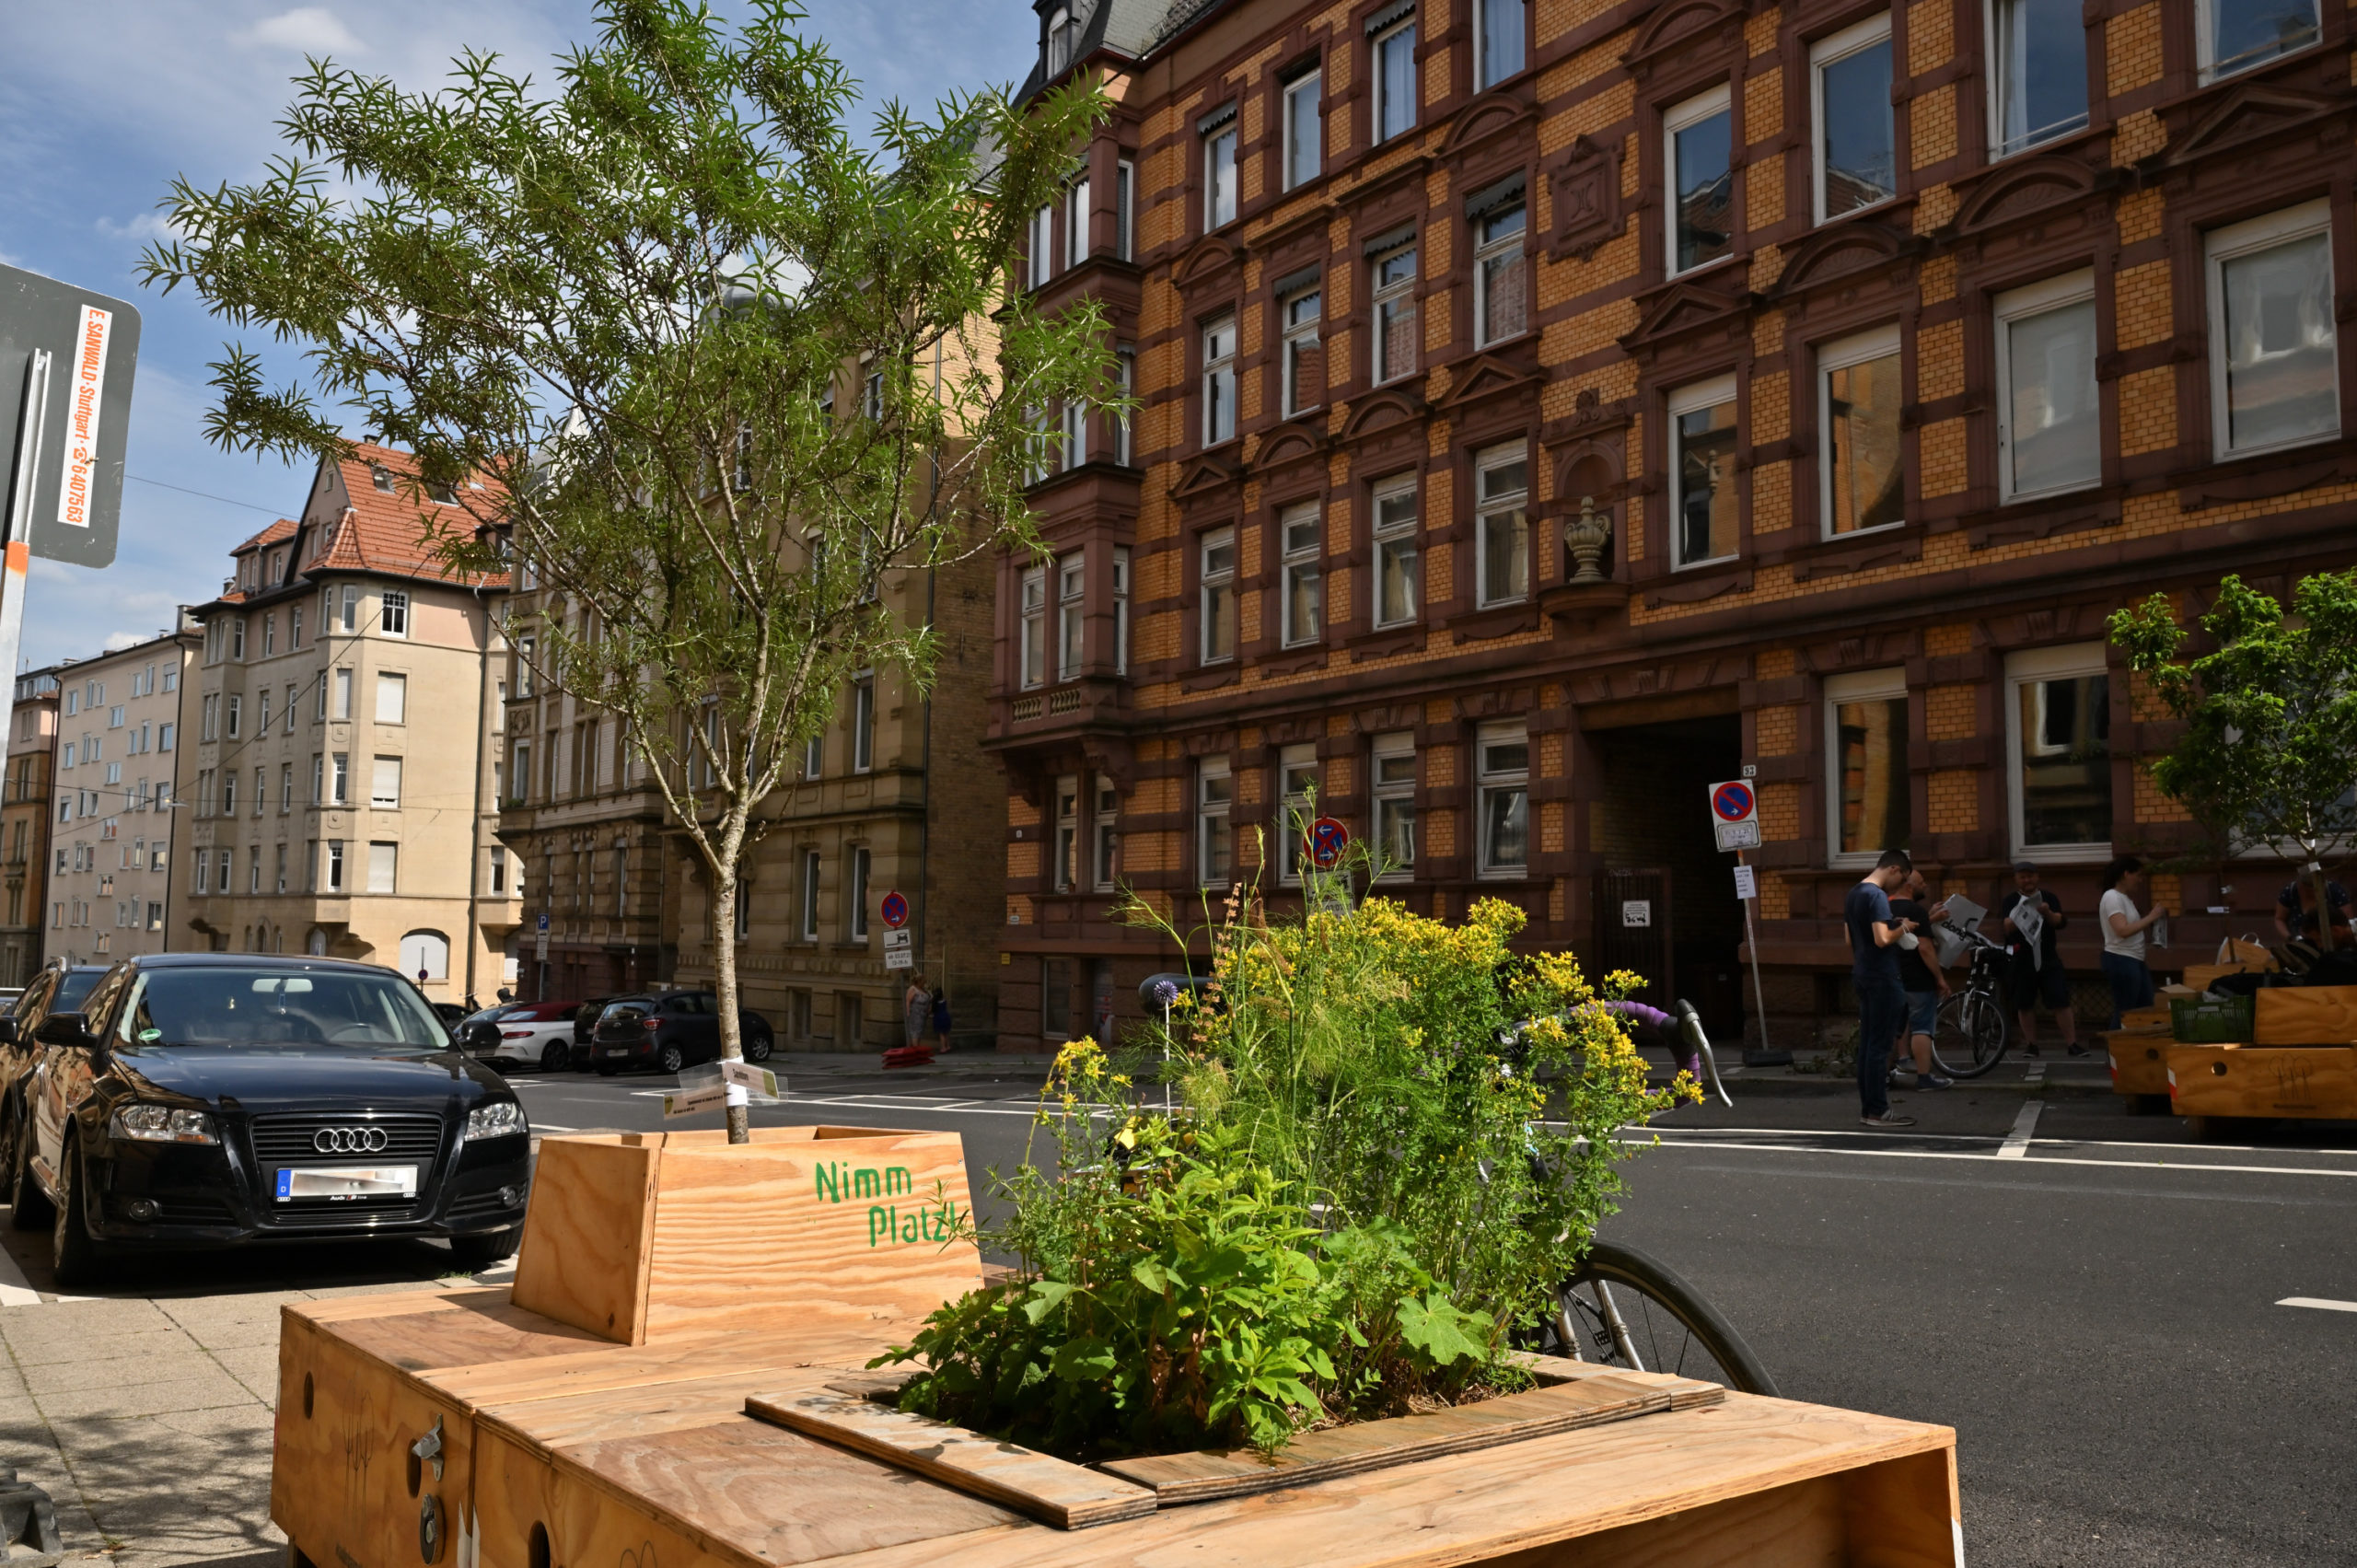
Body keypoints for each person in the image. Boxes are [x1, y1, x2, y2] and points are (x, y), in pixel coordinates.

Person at [1843, 848, 1918, 1129]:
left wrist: (1891, 926)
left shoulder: (1854, 893)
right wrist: (1905, 927)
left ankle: (1868, 1110)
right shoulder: (1876, 896)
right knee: (1880, 1047)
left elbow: (1850, 939)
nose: (1901, 886)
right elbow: (1882, 939)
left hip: (1862, 973)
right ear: (1894, 870)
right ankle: (1877, 1111)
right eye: (1902, 879)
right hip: (1883, 977)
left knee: (1868, 1046)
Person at [1991, 861, 2077, 1057]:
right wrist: (2022, 914)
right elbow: (2006, 927)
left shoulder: (2048, 898)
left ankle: (2072, 1044)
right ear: (2016, 879)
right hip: (2022, 960)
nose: (2027, 880)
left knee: (2060, 1000)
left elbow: (2060, 922)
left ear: (2037, 877)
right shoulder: (2010, 901)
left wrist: (2046, 912)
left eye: (2030, 876)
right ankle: (2031, 1045)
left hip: (2048, 957)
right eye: (2022, 876)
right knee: (2024, 1003)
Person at [1887, 869, 1954, 1091]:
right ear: (1909, 887)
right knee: (1922, 1028)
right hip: (1918, 979)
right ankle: (1924, 1078)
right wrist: (1940, 978)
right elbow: (1925, 948)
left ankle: (1884, 1076)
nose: (1924, 886)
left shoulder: (1883, 908)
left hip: (1892, 978)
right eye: (1921, 883)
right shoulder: (1915, 910)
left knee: (1891, 1029)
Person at [2098, 856, 2168, 1028]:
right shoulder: (2112, 897)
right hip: (2121, 959)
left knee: (2143, 1007)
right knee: (2126, 1010)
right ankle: (2115, 1051)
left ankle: (2134, 1049)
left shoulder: (2125, 899)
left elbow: (2132, 928)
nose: (2140, 880)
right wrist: (2151, 917)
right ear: (2126, 874)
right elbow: (2122, 930)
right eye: (2137, 875)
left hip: (2135, 959)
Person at [2272, 873, 2355, 946]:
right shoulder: (2290, 892)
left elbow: (2348, 922)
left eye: (2314, 890)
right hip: (2300, 942)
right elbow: (2279, 918)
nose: (2312, 894)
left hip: (2333, 943)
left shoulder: (2335, 891)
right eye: (2306, 890)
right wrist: (2290, 938)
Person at [902, 978, 929, 1051]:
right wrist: (908, 1012)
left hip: (922, 1014)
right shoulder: (913, 989)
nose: (924, 984)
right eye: (923, 982)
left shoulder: (923, 990)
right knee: (915, 1031)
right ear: (919, 981)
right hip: (915, 1013)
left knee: (920, 1031)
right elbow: (908, 1001)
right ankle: (915, 1049)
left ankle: (917, 1047)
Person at [931, 986, 953, 1052]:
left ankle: (943, 1048)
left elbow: (932, 1010)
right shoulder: (944, 1000)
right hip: (946, 1016)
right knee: (946, 1033)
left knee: (941, 1034)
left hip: (939, 1017)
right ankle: (948, 1046)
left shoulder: (935, 1002)